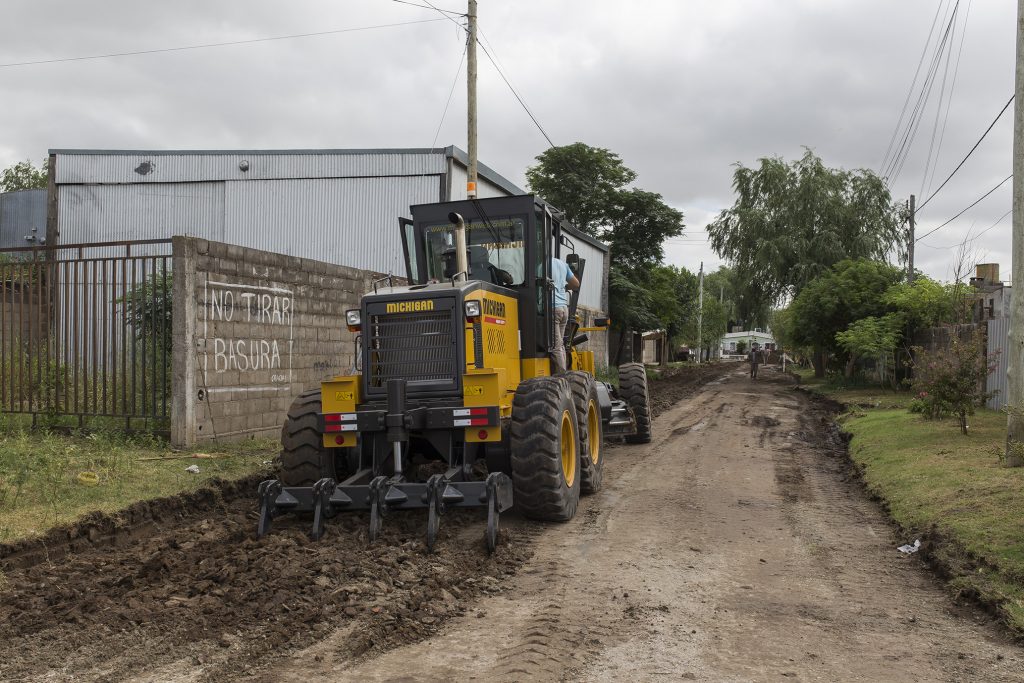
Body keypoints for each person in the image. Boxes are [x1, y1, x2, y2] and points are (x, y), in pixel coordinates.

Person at [551, 256, 580, 373]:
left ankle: (562, 376)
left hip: (552, 308)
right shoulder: (562, 264)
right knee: (560, 344)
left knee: (555, 346)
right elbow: (576, 284)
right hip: (564, 308)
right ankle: (563, 372)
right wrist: (562, 287)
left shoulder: (540, 263)